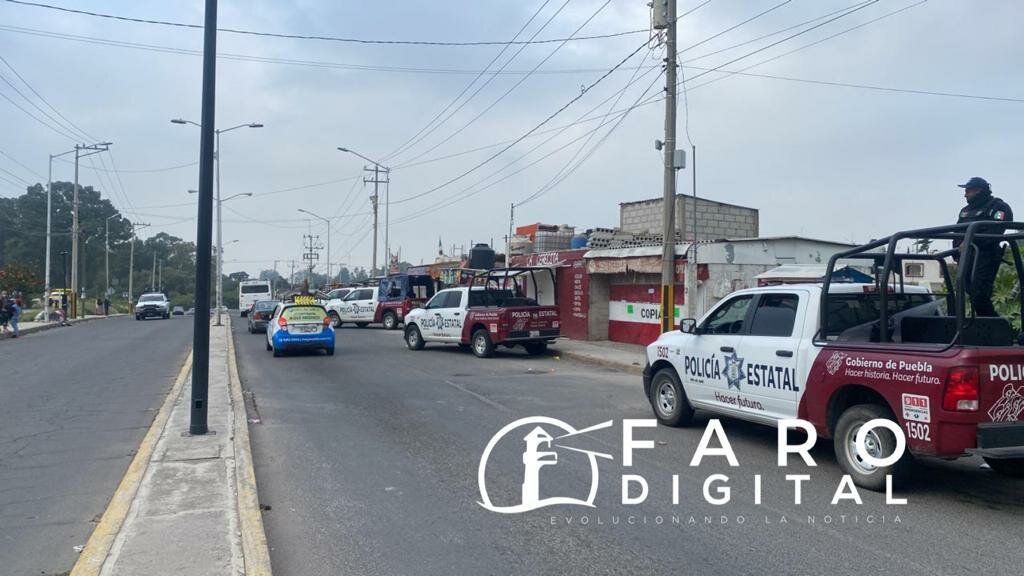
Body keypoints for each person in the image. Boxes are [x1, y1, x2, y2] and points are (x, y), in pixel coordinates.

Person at [953, 177, 1013, 317]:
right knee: (969, 291)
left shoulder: (998, 207)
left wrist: (971, 242)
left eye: (968, 191)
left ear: (978, 190)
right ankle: (985, 324)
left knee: (979, 295)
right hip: (966, 257)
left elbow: (995, 230)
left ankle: (995, 326)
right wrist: (956, 252)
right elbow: (957, 232)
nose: (965, 194)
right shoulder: (965, 210)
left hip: (985, 256)